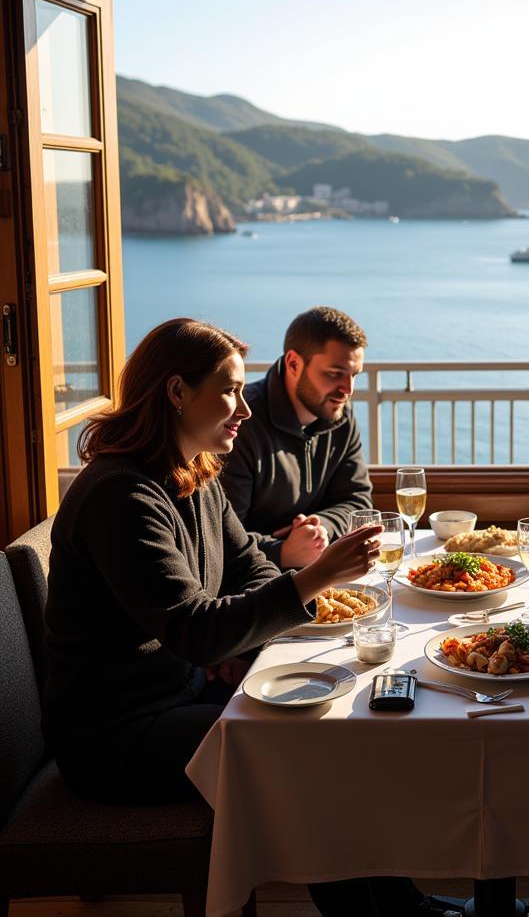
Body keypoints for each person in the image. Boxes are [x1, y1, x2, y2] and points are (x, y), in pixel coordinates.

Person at [42, 318, 434, 917]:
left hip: (181, 693)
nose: (244, 410)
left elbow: (250, 567)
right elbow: (193, 629)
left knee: (333, 739)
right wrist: (318, 575)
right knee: (304, 757)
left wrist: (237, 642)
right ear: (176, 392)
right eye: (228, 390)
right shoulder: (120, 498)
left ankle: (401, 907)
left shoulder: (195, 474)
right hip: (115, 735)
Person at [220, 306, 374, 571]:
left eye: (354, 375)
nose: (348, 390)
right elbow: (222, 536)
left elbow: (357, 500)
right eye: (335, 374)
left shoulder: (341, 416)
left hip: (319, 572)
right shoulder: (240, 426)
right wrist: (282, 552)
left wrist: (320, 528)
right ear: (293, 364)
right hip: (252, 584)